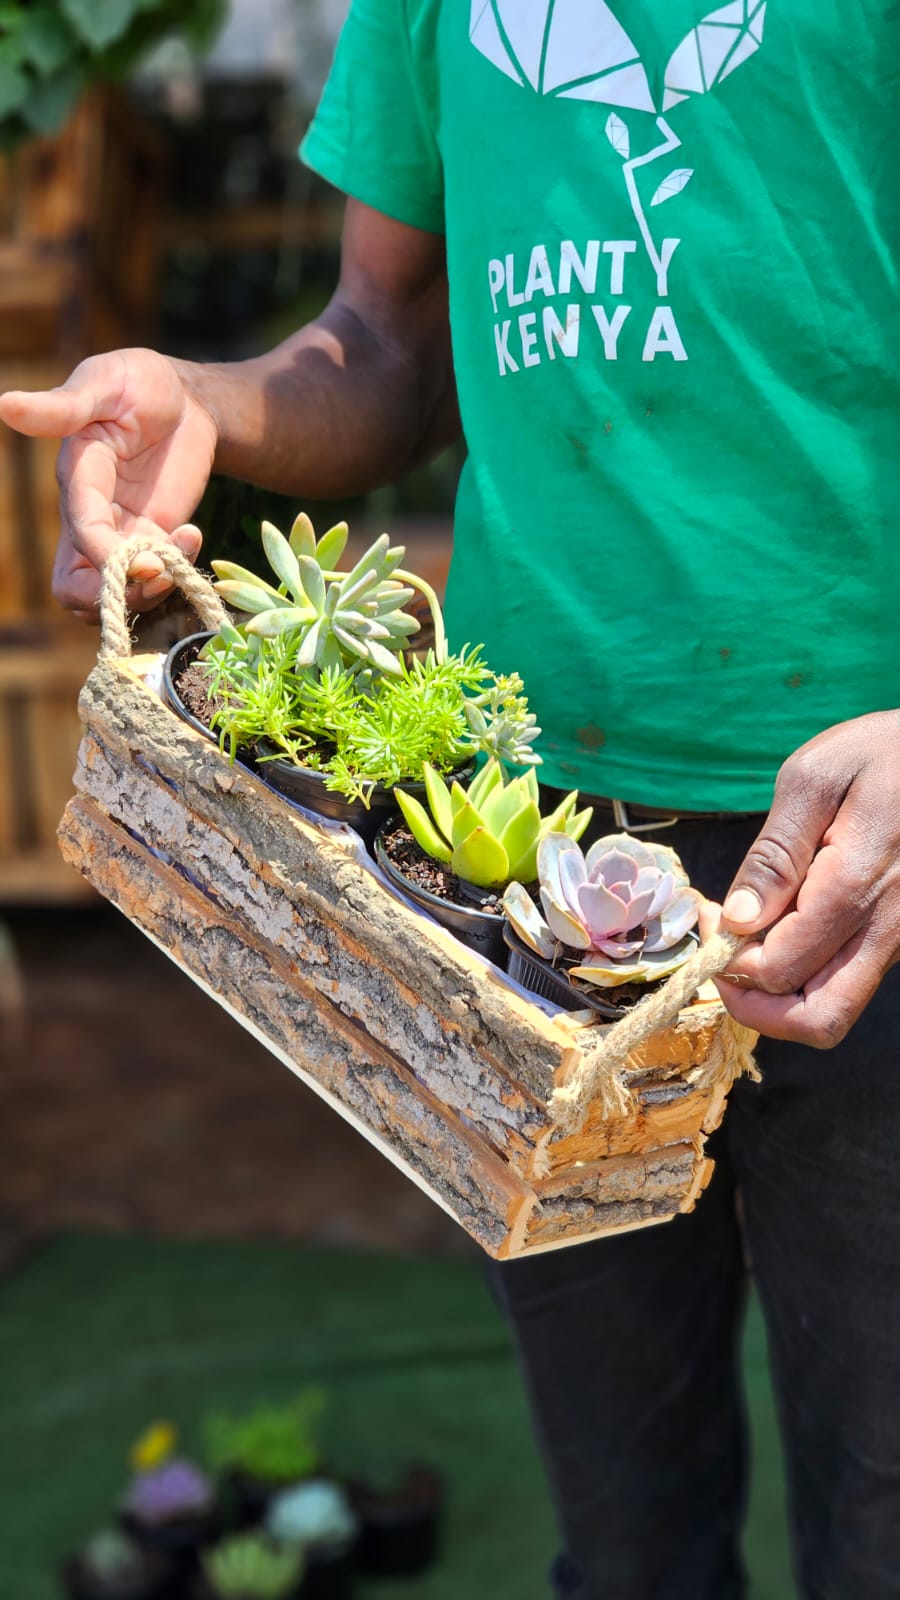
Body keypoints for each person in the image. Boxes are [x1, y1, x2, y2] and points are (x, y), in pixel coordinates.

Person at [2, 5, 898, 1594]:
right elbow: (392, 340)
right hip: (516, 877)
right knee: (624, 1530)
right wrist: (211, 405)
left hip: (868, 861)